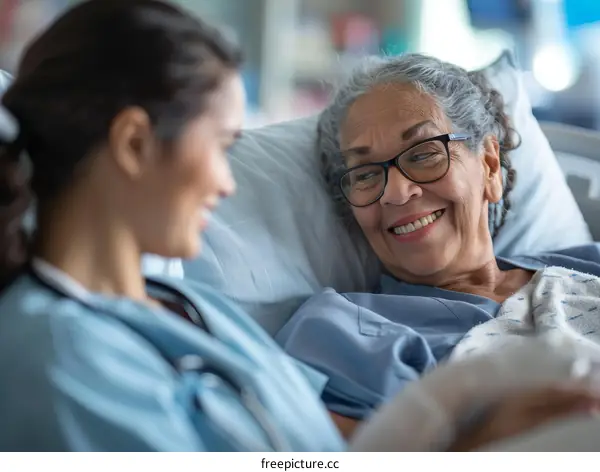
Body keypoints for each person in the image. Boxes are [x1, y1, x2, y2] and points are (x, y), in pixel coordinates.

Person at [0, 0, 597, 452]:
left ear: (490, 166)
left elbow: (312, 455)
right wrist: (459, 427)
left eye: (423, 154)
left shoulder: (179, 304)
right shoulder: (55, 354)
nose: (229, 182)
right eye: (220, 145)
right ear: (133, 144)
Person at [275, 53, 600, 439]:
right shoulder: (339, 332)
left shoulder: (586, 262)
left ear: (489, 166)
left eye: (425, 153)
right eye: (364, 175)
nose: (396, 193)